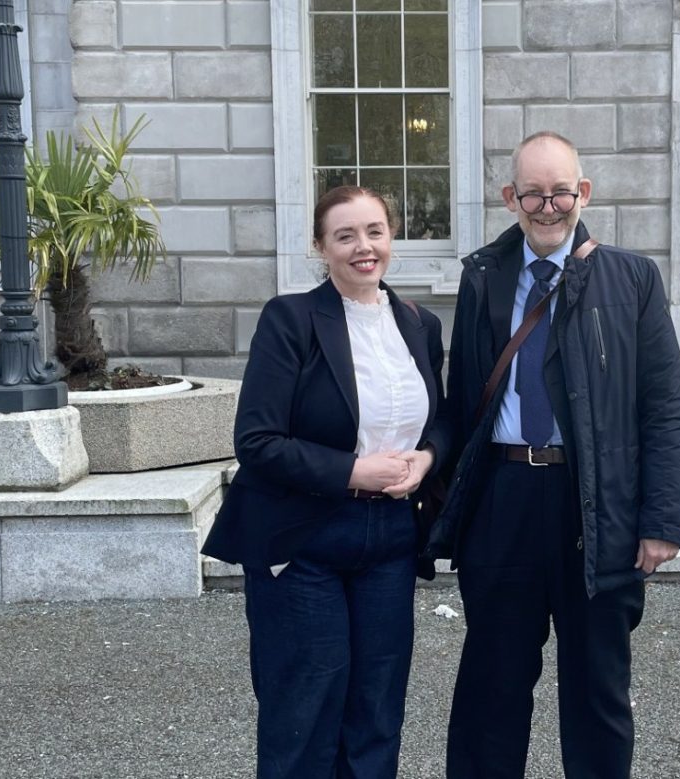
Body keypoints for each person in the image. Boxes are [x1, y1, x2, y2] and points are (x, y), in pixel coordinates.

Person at [427, 131, 680, 779]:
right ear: (509, 196)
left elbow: (664, 406)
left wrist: (661, 520)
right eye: (534, 194)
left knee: (597, 690)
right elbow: (465, 400)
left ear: (584, 193)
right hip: (505, 502)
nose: (549, 207)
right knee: (492, 687)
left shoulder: (633, 278)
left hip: (595, 505)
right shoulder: (482, 275)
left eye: (561, 192)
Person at [202, 185, 449, 779]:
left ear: (391, 238)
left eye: (374, 231)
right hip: (304, 537)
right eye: (345, 236)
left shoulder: (421, 323)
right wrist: (352, 470)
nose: (363, 247)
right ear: (320, 247)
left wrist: (429, 458)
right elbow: (257, 442)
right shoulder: (291, 319)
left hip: (389, 538)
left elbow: (441, 415)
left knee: (377, 705)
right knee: (305, 705)